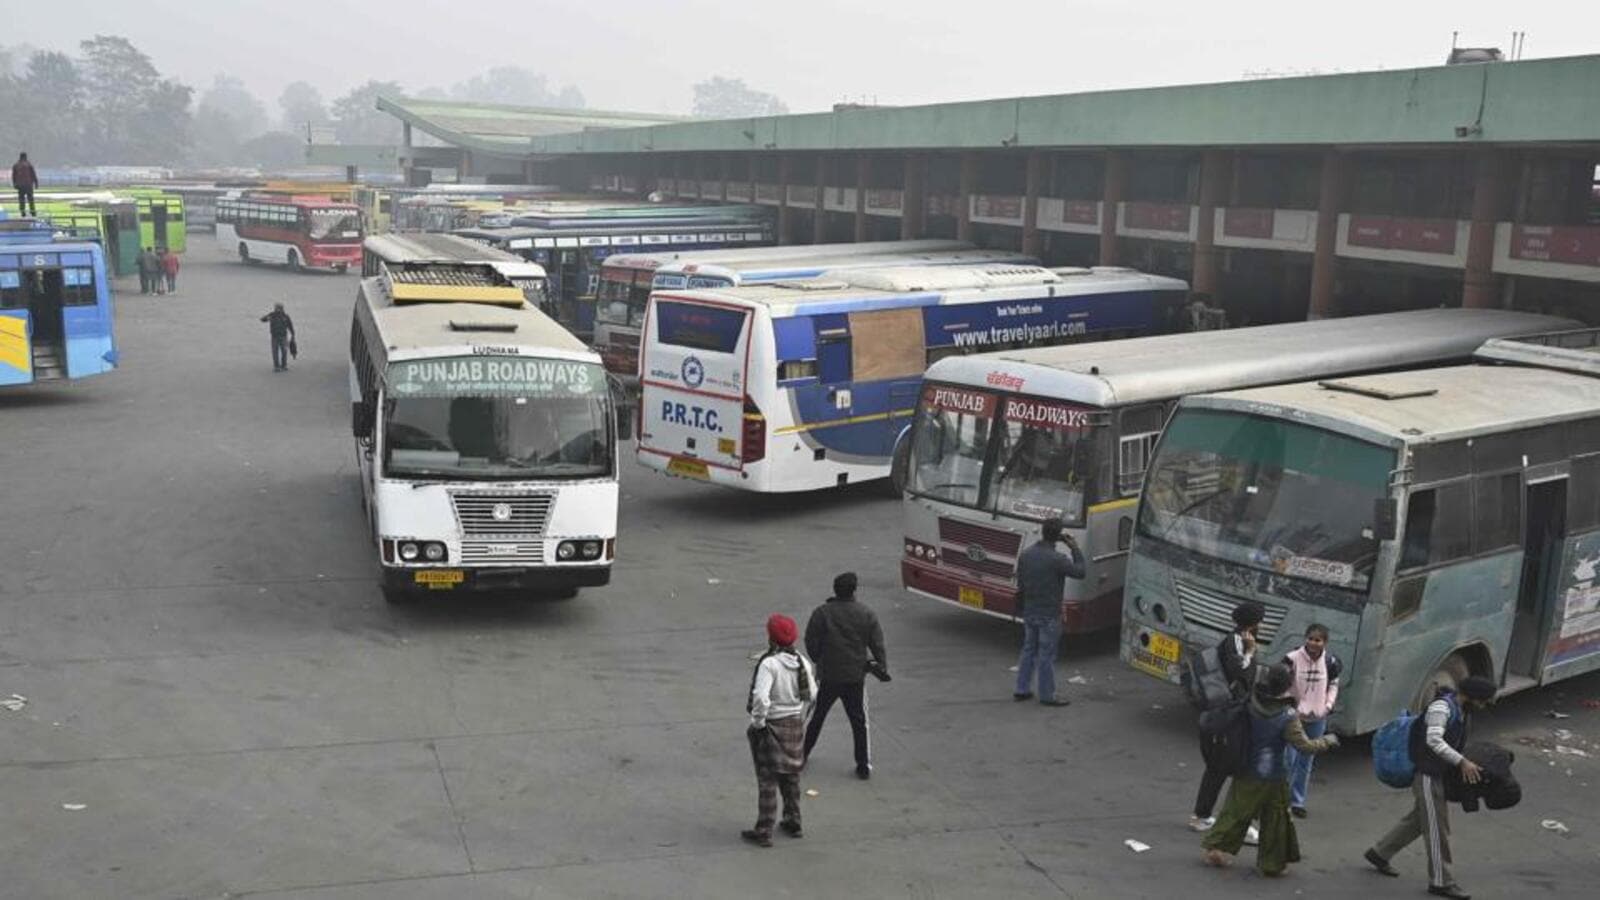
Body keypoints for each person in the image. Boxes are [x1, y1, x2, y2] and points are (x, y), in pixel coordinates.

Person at [1364, 675, 1498, 900]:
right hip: (1426, 774)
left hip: (1437, 773)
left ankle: (1379, 853)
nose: (1484, 705)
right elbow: (1434, 740)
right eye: (1484, 700)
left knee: (1419, 819)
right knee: (1437, 828)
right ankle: (1441, 881)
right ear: (1473, 696)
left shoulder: (1461, 710)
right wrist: (1462, 761)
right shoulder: (1442, 708)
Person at [1201, 663, 1340, 877]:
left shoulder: (1251, 703)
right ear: (1287, 686)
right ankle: (1271, 864)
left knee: (1235, 811)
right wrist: (1327, 741)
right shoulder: (1287, 716)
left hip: (1246, 768)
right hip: (1273, 775)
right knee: (1275, 820)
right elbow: (1305, 746)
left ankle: (1216, 849)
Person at [1190, 601, 1265, 839]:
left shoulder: (1236, 639)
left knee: (1219, 767)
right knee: (1238, 767)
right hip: (1230, 714)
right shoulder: (1237, 642)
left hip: (1226, 714)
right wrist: (1251, 652)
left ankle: (1202, 815)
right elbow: (1240, 672)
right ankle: (1235, 823)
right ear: (1254, 623)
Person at [802, 572, 887, 779]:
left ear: (835, 589)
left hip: (829, 675)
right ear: (854, 590)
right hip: (855, 677)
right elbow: (877, 644)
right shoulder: (866, 614)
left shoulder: (822, 613)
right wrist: (881, 667)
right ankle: (863, 765)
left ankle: (801, 755)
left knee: (816, 717)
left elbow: (810, 640)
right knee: (859, 722)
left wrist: (819, 660)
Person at [741, 614, 816, 848]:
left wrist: (759, 723)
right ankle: (793, 820)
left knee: (767, 779)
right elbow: (812, 694)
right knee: (791, 777)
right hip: (794, 723)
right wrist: (797, 713)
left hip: (772, 724)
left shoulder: (769, 664)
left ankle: (764, 829)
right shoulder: (801, 661)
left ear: (771, 637)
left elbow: (761, 699)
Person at [1012, 517, 1085, 706]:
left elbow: (1021, 582)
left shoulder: (1026, 554)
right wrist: (1074, 548)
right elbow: (1080, 571)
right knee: (1046, 654)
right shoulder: (1057, 560)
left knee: (1028, 649)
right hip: (1049, 614)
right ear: (1058, 536)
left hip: (1030, 610)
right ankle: (1047, 695)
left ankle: (1022, 688)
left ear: (1042, 532)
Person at [1283, 624, 1341, 818]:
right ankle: (1281, 800)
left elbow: (1333, 685)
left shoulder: (1331, 662)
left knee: (1306, 761)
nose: (1313, 643)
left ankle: (1297, 801)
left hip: (1317, 718)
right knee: (1288, 760)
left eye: (1318, 640)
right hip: (1295, 717)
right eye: (1310, 638)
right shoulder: (1291, 659)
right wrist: (1290, 707)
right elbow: (1283, 684)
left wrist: (1327, 706)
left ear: (1325, 642)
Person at [260, 303, 296, 372]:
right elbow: (263, 320)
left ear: (282, 309)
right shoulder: (272, 315)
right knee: (275, 352)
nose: (278, 310)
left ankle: (284, 365)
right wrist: (265, 318)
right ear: (275, 308)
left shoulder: (285, 316)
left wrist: (293, 334)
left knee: (284, 352)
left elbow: (290, 325)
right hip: (274, 337)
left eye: (280, 308)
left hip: (283, 337)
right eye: (277, 308)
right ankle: (276, 366)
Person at [11, 152, 38, 217]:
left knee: (21, 200)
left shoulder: (16, 165)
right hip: (28, 185)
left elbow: (13, 176)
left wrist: (14, 184)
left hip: (20, 185)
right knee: (31, 199)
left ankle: (23, 212)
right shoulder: (29, 164)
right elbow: (33, 174)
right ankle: (33, 212)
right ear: (25, 157)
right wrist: (36, 183)